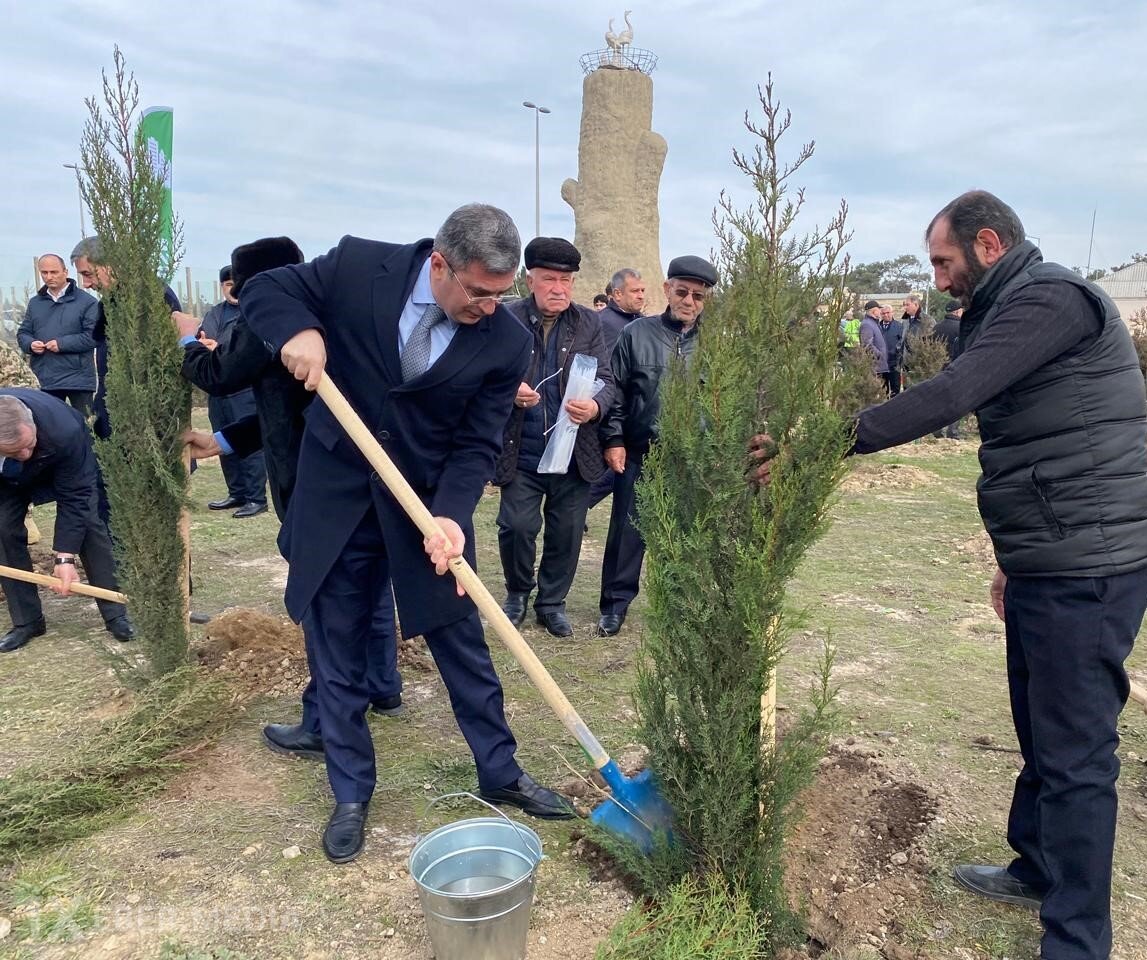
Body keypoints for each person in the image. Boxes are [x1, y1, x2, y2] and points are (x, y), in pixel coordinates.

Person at [753, 190, 1147, 960]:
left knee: (1075, 754)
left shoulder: (1052, 300)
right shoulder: (1003, 309)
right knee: (1040, 728)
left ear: (988, 244)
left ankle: (1076, 941)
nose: (935, 279)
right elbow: (1026, 447)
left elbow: (952, 394)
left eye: (941, 261)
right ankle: (1036, 867)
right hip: (1046, 553)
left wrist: (821, 443)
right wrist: (1008, 559)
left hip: (1089, 562)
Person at [241, 203, 573, 864]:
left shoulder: (505, 341)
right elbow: (265, 289)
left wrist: (450, 514)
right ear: (439, 265)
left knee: (461, 640)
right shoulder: (360, 266)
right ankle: (350, 792)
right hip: (338, 496)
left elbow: (477, 443)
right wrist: (299, 331)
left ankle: (500, 771)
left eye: (501, 294)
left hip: (424, 507)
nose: (490, 307)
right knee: (336, 645)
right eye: (478, 293)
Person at [177, 238, 405, 755]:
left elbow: (217, 375)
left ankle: (323, 722)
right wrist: (224, 440)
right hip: (362, 474)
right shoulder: (335, 316)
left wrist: (187, 338)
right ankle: (383, 686)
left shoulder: (272, 317)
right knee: (368, 582)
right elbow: (287, 405)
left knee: (325, 603)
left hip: (314, 483)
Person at [496, 237, 614, 638]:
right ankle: (517, 593)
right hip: (522, 451)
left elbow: (607, 379)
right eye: (549, 279)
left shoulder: (589, 323)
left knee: (566, 532)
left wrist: (594, 406)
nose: (559, 288)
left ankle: (551, 603)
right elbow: (483, 373)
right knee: (516, 527)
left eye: (566, 280)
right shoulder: (505, 318)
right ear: (529, 280)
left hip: (573, 451)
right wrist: (508, 392)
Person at [596, 255, 717, 637]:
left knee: (684, 535)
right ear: (667, 289)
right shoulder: (637, 334)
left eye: (698, 296)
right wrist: (614, 439)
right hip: (640, 452)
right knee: (627, 534)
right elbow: (615, 391)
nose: (689, 301)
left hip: (691, 459)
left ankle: (679, 606)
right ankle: (615, 605)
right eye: (682, 292)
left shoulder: (716, 343)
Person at [0, 390, 134, 652]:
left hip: (60, 462)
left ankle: (116, 614)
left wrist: (64, 558)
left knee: (88, 526)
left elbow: (77, 497)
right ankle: (28, 621)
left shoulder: (65, 429)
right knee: (3, 529)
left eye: (29, 444)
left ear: (31, 423)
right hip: (6, 481)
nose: (26, 454)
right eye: (16, 451)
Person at [196, 266, 268, 519]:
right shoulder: (214, 313)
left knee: (248, 443)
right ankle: (236, 492)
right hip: (218, 391)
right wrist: (210, 347)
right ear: (222, 287)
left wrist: (219, 348)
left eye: (236, 283)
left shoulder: (252, 312)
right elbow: (204, 337)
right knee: (223, 442)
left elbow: (240, 348)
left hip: (244, 390)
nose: (232, 288)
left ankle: (256, 498)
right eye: (228, 284)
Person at [17, 255, 99, 414]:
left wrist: (61, 344)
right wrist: (30, 344)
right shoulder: (35, 303)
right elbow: (23, 333)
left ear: (65, 272)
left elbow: (92, 336)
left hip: (78, 379)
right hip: (45, 378)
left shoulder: (87, 302)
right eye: (44, 272)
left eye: (54, 272)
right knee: (49, 426)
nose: (49, 277)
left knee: (84, 423)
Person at [930, 300, 963, 439]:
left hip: (938, 368)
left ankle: (937, 429)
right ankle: (952, 431)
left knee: (940, 399)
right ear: (957, 311)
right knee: (957, 400)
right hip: (956, 367)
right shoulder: (961, 327)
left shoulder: (936, 327)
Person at [858, 299, 889, 383]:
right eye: (879, 309)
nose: (880, 311)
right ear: (874, 311)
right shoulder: (867, 324)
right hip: (874, 368)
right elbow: (867, 345)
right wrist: (879, 355)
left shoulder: (874, 323)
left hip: (880, 367)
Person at [878, 303, 905, 396]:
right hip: (881, 364)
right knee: (882, 390)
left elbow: (902, 342)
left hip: (894, 363)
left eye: (888, 312)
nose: (886, 315)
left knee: (895, 389)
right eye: (883, 313)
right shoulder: (877, 327)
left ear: (892, 313)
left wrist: (896, 353)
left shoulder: (899, 326)